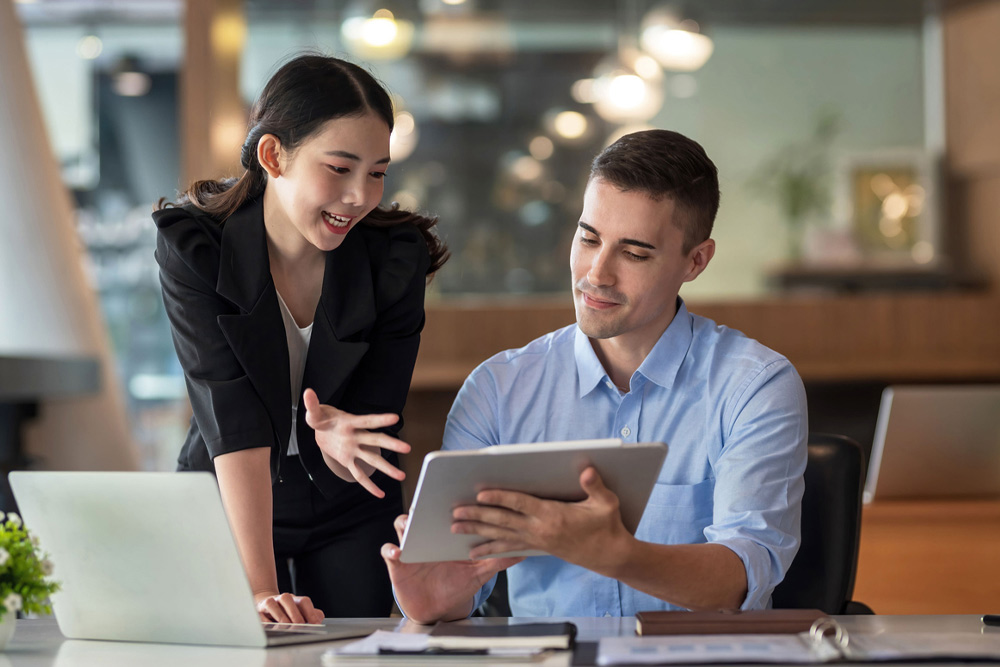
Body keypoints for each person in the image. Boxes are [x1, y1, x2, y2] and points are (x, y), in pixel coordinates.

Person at [383, 129, 807, 622]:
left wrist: (616, 554)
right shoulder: (497, 389)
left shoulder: (756, 386)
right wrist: (435, 601)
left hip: (695, 657)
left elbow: (741, 579)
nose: (597, 274)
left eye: (634, 253)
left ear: (696, 261)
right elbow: (456, 588)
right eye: (588, 238)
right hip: (549, 657)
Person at [153, 54, 448, 623]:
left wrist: (339, 446)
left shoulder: (394, 260)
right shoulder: (196, 247)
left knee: (352, 653)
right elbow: (231, 417)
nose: (360, 196)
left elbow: (373, 427)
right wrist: (260, 591)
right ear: (273, 155)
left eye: (377, 173)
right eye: (339, 168)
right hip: (229, 493)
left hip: (347, 503)